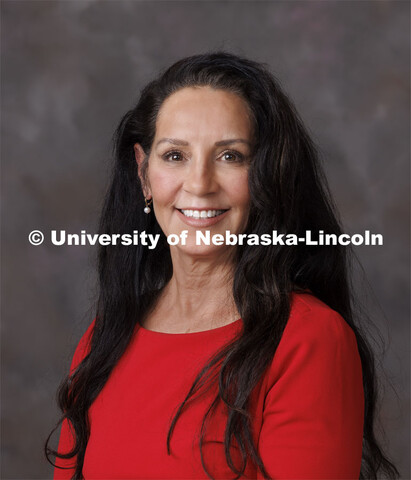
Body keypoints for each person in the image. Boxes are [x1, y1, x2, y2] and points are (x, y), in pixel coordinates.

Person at [46, 51, 399, 480]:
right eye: (175, 155)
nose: (199, 184)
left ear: (267, 176)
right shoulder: (103, 339)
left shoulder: (308, 341)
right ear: (143, 173)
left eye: (230, 156)